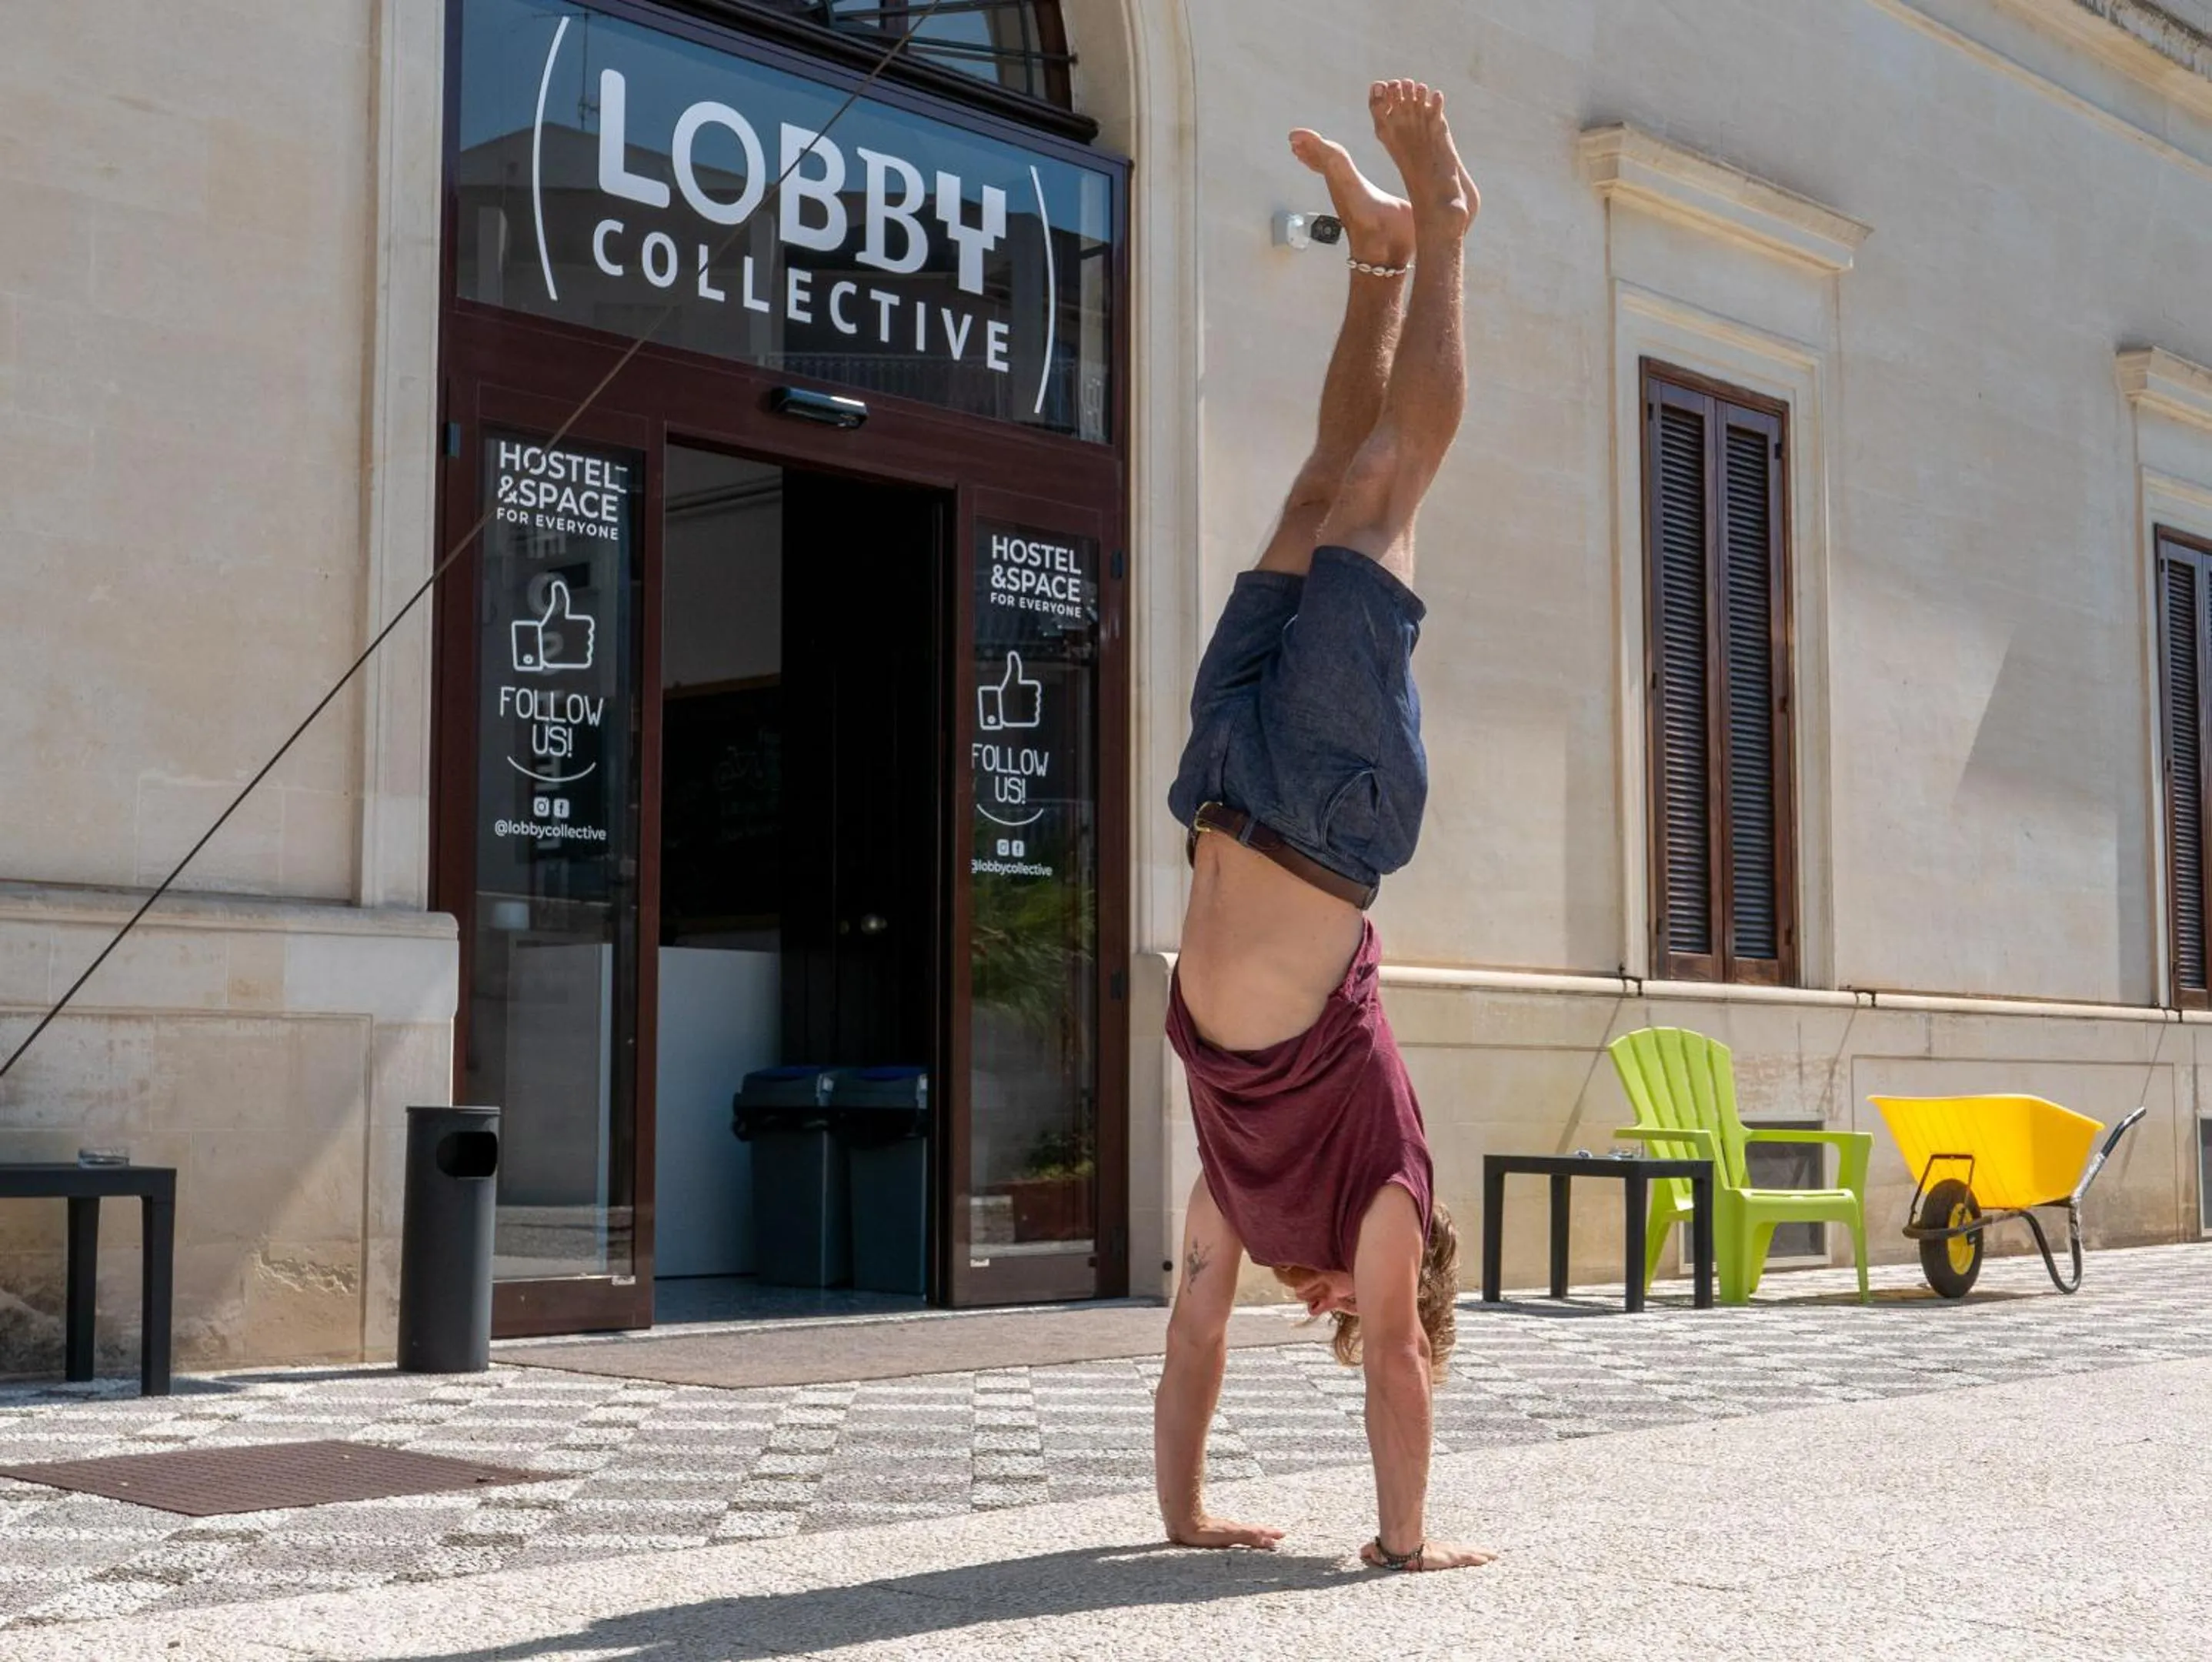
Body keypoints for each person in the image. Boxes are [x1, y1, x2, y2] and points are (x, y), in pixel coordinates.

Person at [1152, 80, 1493, 1576]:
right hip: (1329, 812)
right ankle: (1450, 231)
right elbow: (1403, 1362)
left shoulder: (1239, 1193)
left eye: (1335, 1315)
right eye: (1354, 1308)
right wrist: (1404, 1542)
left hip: (1226, 782)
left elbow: (1191, 1334)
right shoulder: (1386, 1194)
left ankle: (1376, 254)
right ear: (1404, 1281)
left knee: (1309, 495)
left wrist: (1181, 1518)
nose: (1331, 1308)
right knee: (1379, 491)